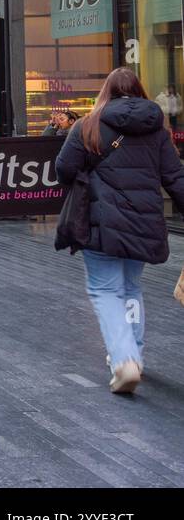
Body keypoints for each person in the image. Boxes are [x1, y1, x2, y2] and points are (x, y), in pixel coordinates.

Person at [55, 67, 184, 394]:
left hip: (101, 222)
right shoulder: (157, 130)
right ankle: (134, 355)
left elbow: (64, 170)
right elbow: (175, 178)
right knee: (130, 287)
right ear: (139, 91)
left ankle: (125, 359)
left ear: (106, 92)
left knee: (105, 290)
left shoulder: (88, 125)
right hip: (144, 222)